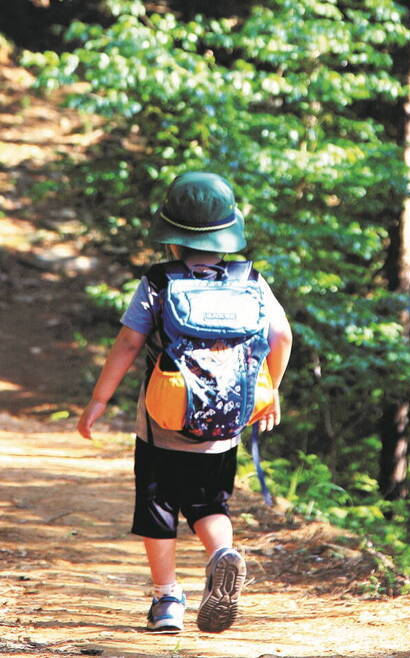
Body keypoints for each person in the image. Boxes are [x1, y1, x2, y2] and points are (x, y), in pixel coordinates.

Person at [77, 171, 292, 633]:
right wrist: (268, 390)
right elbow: (282, 335)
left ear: (171, 238)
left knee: (157, 510)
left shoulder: (159, 281)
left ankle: (167, 600)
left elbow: (129, 344)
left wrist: (98, 400)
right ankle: (220, 555)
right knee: (210, 505)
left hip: (161, 421)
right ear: (227, 233)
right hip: (224, 425)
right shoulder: (251, 279)